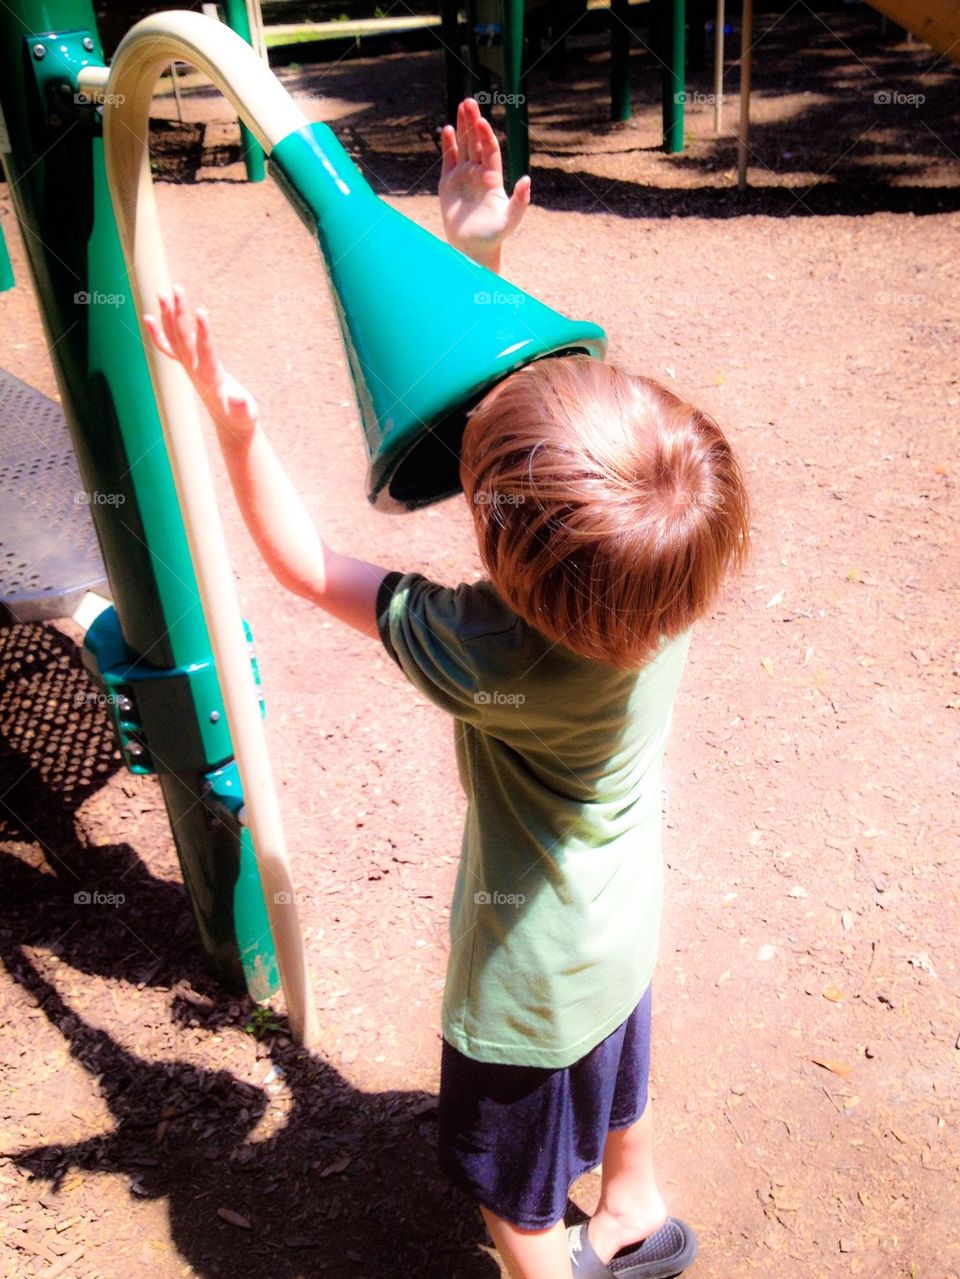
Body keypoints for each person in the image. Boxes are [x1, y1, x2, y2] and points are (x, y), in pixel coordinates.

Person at [144, 98, 750, 1279]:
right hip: (618, 926)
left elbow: (308, 564)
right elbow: (566, 453)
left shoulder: (483, 649)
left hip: (522, 982)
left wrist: (235, 432)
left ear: (495, 543)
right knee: (615, 1070)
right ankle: (636, 1206)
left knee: (512, 1188)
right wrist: (478, 258)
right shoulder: (668, 580)